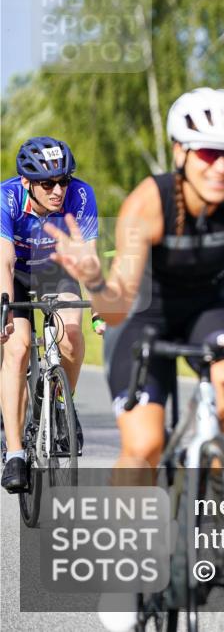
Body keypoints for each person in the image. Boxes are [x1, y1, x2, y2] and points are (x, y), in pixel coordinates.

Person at [44, 87, 224, 475]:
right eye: (208, 154)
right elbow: (116, 310)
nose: (221, 168)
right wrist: (95, 281)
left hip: (213, 303)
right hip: (145, 309)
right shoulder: (147, 203)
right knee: (144, 446)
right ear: (179, 152)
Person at [1, 136, 99, 492]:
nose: (58, 190)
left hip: (57, 269)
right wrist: (5, 311)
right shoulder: (7, 197)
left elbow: (88, 256)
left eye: (63, 181)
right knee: (18, 348)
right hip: (16, 273)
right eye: (47, 184)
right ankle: (15, 454)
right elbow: (4, 260)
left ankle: (61, 404)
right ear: (27, 182)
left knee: (70, 336)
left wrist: (99, 307)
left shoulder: (81, 195)